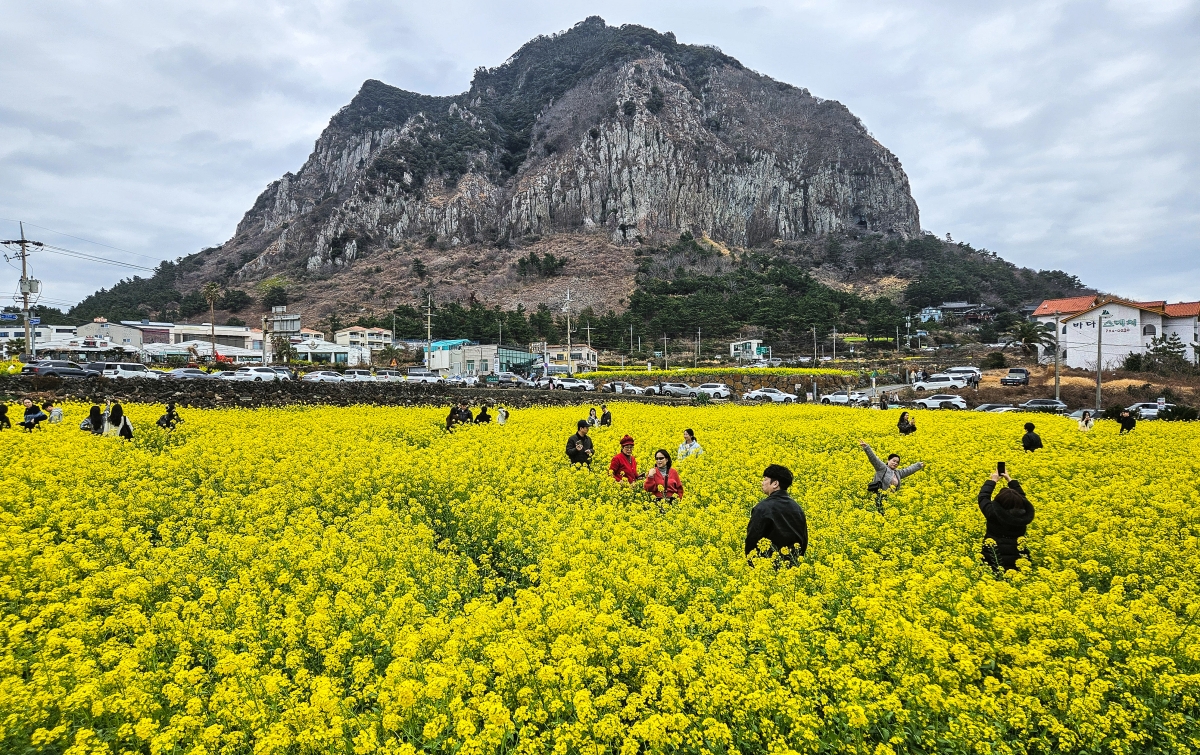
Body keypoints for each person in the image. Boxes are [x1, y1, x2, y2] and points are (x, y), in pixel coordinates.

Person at [744, 464, 807, 564]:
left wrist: (752, 563)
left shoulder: (762, 508)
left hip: (767, 566)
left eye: (765, 479)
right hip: (793, 566)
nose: (762, 482)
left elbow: (752, 539)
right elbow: (803, 540)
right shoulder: (797, 508)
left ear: (775, 484)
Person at [978, 470, 1035, 572]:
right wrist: (1010, 480)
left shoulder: (993, 513)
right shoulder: (1024, 515)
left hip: (992, 557)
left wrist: (993, 480)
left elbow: (983, 497)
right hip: (1019, 559)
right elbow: (1022, 498)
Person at [859, 440, 925, 492]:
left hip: (890, 498)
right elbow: (874, 459)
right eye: (894, 461)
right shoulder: (882, 468)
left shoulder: (897, 473)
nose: (895, 463)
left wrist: (918, 465)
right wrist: (867, 448)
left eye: (897, 462)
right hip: (879, 495)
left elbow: (908, 470)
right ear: (888, 460)